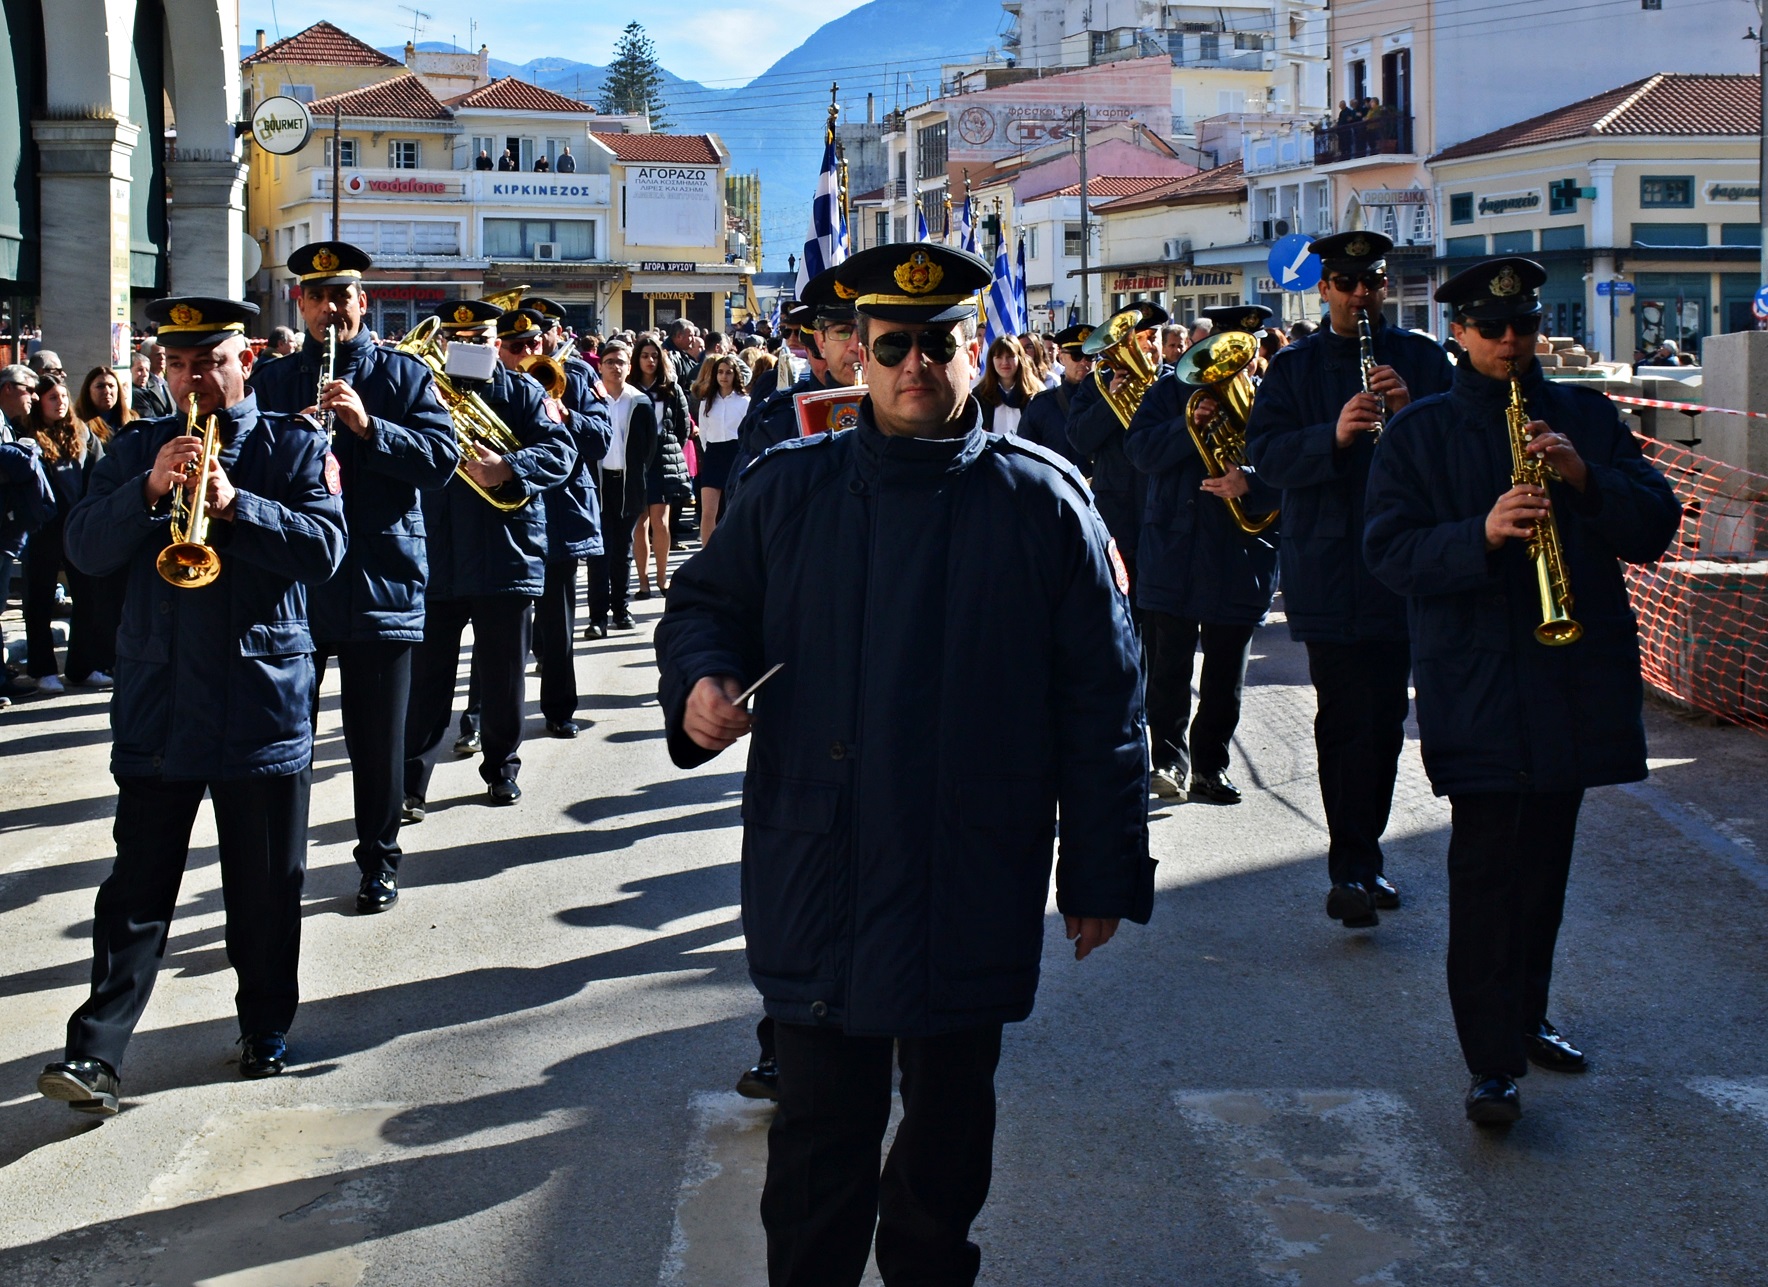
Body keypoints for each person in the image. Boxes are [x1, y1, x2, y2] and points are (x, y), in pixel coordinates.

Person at [654, 241, 1152, 1287]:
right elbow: (707, 609)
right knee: (816, 1148)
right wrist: (700, 684)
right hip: (816, 861)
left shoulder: (1043, 500)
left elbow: (1103, 697)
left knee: (946, 1145)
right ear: (859, 356)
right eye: (894, 346)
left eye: (939, 343)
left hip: (969, 865)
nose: (916, 365)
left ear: (979, 351)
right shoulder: (790, 488)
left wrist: (1103, 868)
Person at [1364, 257, 1680, 1124]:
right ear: (1458, 333)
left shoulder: (1585, 415)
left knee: (1544, 871)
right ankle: (1491, 1060)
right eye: (1492, 329)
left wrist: (1584, 480)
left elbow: (1655, 523)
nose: (1511, 342)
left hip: (1572, 680)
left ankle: (1528, 1012)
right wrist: (1484, 532)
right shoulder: (1421, 433)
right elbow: (1389, 554)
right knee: (1485, 876)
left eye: (1524, 328)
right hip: (1478, 684)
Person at [38, 297, 346, 1114]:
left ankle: (264, 1024)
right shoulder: (135, 450)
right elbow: (84, 549)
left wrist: (238, 506)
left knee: (266, 884)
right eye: (178, 364)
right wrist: (149, 490)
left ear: (245, 361)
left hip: (259, 700)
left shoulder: (292, 444)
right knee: (135, 887)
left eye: (209, 361)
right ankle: (95, 1054)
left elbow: (325, 550)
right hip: (160, 698)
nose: (193, 379)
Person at [1244, 230, 1455, 929]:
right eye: (1346, 282)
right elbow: (1267, 460)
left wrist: (1411, 413)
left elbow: (1460, 452)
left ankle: (1367, 854)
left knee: (1387, 717)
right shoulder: (1294, 370)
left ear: (1384, 287)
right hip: (1328, 570)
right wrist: (1331, 436)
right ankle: (1352, 868)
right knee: (1343, 716)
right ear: (1324, 288)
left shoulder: (1421, 360)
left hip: (1402, 571)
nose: (1360, 294)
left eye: (1372, 282)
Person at [249, 241, 458, 912]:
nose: (329, 309)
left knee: (377, 745)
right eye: (316, 297)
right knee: (287, 747)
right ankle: (281, 873)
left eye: (342, 296)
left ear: (362, 302)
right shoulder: (277, 381)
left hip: (380, 583)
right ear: (300, 304)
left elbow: (442, 460)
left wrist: (369, 428)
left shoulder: (402, 377)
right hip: (298, 592)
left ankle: (379, 861)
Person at [402, 301, 574, 813]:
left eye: (478, 338)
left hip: (507, 552)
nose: (468, 347)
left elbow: (561, 452)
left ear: (494, 341)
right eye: (458, 339)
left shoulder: (524, 391)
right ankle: (411, 785)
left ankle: (502, 767)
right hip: (439, 554)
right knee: (426, 681)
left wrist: (509, 466)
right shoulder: (421, 392)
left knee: (504, 675)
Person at [1127, 304, 1279, 802]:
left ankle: (1210, 766)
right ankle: (1168, 762)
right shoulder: (1170, 391)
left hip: (1240, 553)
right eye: (1229, 344)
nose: (1236, 358)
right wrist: (1186, 425)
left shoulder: (1275, 397)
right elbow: (1141, 453)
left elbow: (1295, 466)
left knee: (1224, 676)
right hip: (1174, 547)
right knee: (1167, 670)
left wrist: (1250, 481)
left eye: (1246, 348)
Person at [507, 297, 611, 736]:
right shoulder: (497, 376)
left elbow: (602, 439)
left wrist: (568, 416)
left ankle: (559, 709)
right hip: (510, 506)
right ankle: (477, 718)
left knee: (559, 621)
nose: (536, 342)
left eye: (543, 331)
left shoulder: (582, 375)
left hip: (561, 508)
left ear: (555, 333)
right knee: (498, 625)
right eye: (526, 336)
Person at [1065, 301, 1167, 602]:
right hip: (1119, 511)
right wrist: (1110, 402)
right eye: (1139, 338)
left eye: (1152, 337)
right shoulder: (1097, 385)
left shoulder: (1175, 383)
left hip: (1164, 510)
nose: (1147, 345)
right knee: (1120, 603)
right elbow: (1079, 440)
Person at [23, 377, 109, 693]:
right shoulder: (28, 435)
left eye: (63, 395)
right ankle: (42, 669)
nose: (60, 402)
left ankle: (83, 667)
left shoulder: (83, 433)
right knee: (39, 600)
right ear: (39, 402)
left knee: (87, 598)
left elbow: (99, 475)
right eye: (51, 397)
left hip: (79, 526)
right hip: (43, 529)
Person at [629, 332, 693, 599]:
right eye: (644, 356)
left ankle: (662, 578)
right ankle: (642, 582)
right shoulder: (629, 387)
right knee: (640, 522)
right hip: (635, 461)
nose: (650, 360)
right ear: (637, 359)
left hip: (662, 460)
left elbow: (683, 426)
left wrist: (667, 446)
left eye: (654, 356)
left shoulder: (671, 388)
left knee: (661, 522)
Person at [1016, 322, 1094, 472]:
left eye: (1090, 356)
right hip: (1057, 487)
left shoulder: (1105, 401)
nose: (1084, 362)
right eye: (1076, 355)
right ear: (1061, 357)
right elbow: (1025, 456)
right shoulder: (1041, 405)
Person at [691, 352, 749, 543]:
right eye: (721, 372)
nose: (724, 376)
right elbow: (704, 431)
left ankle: (733, 552)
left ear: (735, 375)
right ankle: (707, 555)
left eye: (729, 372)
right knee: (709, 510)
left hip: (735, 453)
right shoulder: (708, 402)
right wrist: (710, 452)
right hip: (714, 453)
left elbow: (747, 430)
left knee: (734, 508)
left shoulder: (744, 401)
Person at [973, 335, 1041, 436]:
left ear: (1020, 358)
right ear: (992, 360)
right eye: (999, 357)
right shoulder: (980, 395)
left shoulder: (1035, 394)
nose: (1005, 362)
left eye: (1010, 357)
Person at [75, 366, 136, 440]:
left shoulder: (133, 418)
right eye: (100, 386)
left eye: (111, 386)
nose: (107, 391)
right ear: (88, 391)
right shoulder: (78, 422)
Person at [135, 342, 174, 418]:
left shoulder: (169, 382)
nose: (162, 357)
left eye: (164, 354)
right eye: (158, 354)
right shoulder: (142, 384)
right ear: (147, 357)